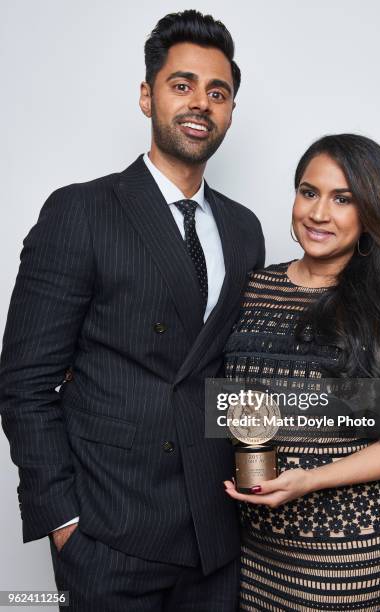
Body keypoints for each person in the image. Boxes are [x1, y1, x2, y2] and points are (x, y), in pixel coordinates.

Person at [0, 10, 264, 611]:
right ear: (147, 97)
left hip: (214, 534)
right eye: (182, 85)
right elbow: (25, 384)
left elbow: (234, 375)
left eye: (217, 92)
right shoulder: (81, 211)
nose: (200, 103)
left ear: (229, 112)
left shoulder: (245, 229)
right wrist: (63, 521)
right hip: (109, 534)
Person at [223, 134, 380, 610]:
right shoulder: (253, 286)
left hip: (349, 554)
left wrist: (310, 478)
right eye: (309, 192)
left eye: (342, 199)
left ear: (371, 213)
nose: (318, 213)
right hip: (252, 551)